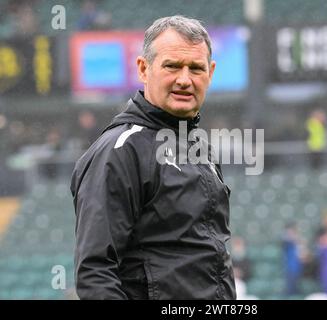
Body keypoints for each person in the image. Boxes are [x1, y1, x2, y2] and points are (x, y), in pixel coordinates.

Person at [70, 16, 236, 300]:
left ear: (210, 73)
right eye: (172, 66)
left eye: (196, 69)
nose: (184, 79)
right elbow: (95, 273)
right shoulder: (120, 150)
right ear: (144, 69)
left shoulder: (200, 148)